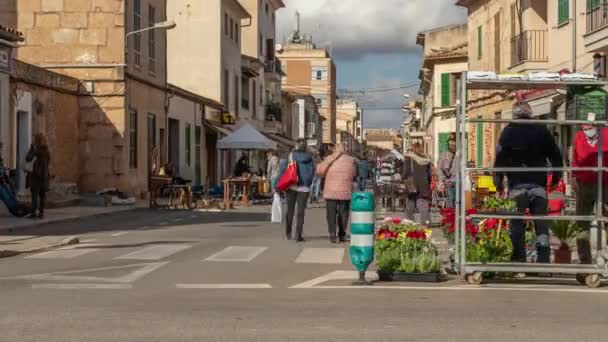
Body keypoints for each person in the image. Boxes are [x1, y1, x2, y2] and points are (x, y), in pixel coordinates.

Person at [494, 102, 563, 265]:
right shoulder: (541, 130)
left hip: (517, 185)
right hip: (538, 184)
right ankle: (543, 261)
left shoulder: (508, 132)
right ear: (530, 113)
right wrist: (555, 178)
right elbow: (556, 156)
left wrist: (498, 182)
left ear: (514, 114)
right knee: (541, 224)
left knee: (517, 225)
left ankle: (519, 260)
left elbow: (500, 158)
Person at [571, 121, 608, 264]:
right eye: (584, 126)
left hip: (605, 183)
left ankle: (604, 255)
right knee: (582, 222)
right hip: (585, 183)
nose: (586, 129)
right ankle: (585, 259)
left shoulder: (606, 134)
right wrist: (574, 176)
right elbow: (575, 159)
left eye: (589, 126)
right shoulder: (579, 137)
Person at [317, 144, 357, 243]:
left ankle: (332, 235)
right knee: (343, 213)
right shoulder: (351, 160)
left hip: (331, 191)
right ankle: (342, 234)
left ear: (335, 150)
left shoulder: (330, 158)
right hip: (345, 190)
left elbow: (320, 171)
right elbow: (354, 174)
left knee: (331, 213)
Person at [277, 140, 314, 242]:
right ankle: (298, 234)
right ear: (305, 147)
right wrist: (308, 182)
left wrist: (278, 185)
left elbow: (283, 170)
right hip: (304, 188)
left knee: (290, 211)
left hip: (291, 185)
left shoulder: (290, 156)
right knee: (300, 212)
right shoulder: (310, 157)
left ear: (296, 146)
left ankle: (288, 233)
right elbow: (313, 171)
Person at [403, 143, 432, 226]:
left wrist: (403, 179)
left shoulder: (409, 158)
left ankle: (409, 222)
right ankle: (426, 222)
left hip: (412, 184)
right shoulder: (427, 159)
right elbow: (429, 174)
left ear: (413, 149)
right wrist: (427, 183)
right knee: (423, 203)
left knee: (411, 203)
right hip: (424, 184)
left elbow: (405, 172)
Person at [26, 133, 51, 219]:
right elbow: (48, 161)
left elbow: (28, 158)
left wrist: (32, 149)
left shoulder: (35, 148)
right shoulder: (46, 149)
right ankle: (41, 213)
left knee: (35, 196)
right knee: (42, 196)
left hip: (36, 175)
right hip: (44, 175)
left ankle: (33, 213)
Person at [438, 136, 457, 208]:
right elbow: (439, 168)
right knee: (450, 199)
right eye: (451, 145)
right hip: (448, 181)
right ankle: (451, 214)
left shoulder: (459, 155)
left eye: (454, 145)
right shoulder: (444, 155)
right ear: (448, 146)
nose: (453, 147)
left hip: (458, 181)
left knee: (457, 200)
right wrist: (442, 180)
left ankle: (457, 215)